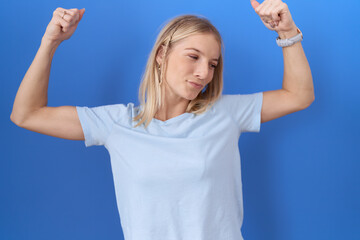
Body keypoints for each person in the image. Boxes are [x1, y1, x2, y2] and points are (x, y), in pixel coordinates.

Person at [10, 0, 314, 239]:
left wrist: (287, 32)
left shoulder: (225, 113)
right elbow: (26, 114)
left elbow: (298, 95)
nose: (204, 73)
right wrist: (50, 43)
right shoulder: (117, 124)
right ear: (161, 54)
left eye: (212, 64)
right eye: (193, 57)